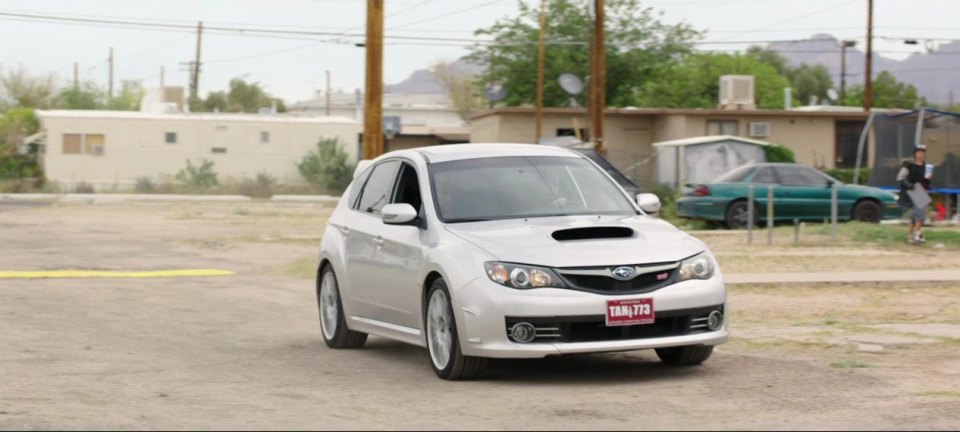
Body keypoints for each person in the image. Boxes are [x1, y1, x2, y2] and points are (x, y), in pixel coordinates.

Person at [896, 146, 932, 244]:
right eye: (918, 152)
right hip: (911, 191)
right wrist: (911, 186)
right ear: (914, 153)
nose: (920, 154)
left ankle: (909, 236)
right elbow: (900, 178)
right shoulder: (909, 165)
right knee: (919, 214)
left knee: (915, 216)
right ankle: (917, 235)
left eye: (922, 152)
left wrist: (928, 179)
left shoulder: (926, 167)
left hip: (921, 191)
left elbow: (926, 182)